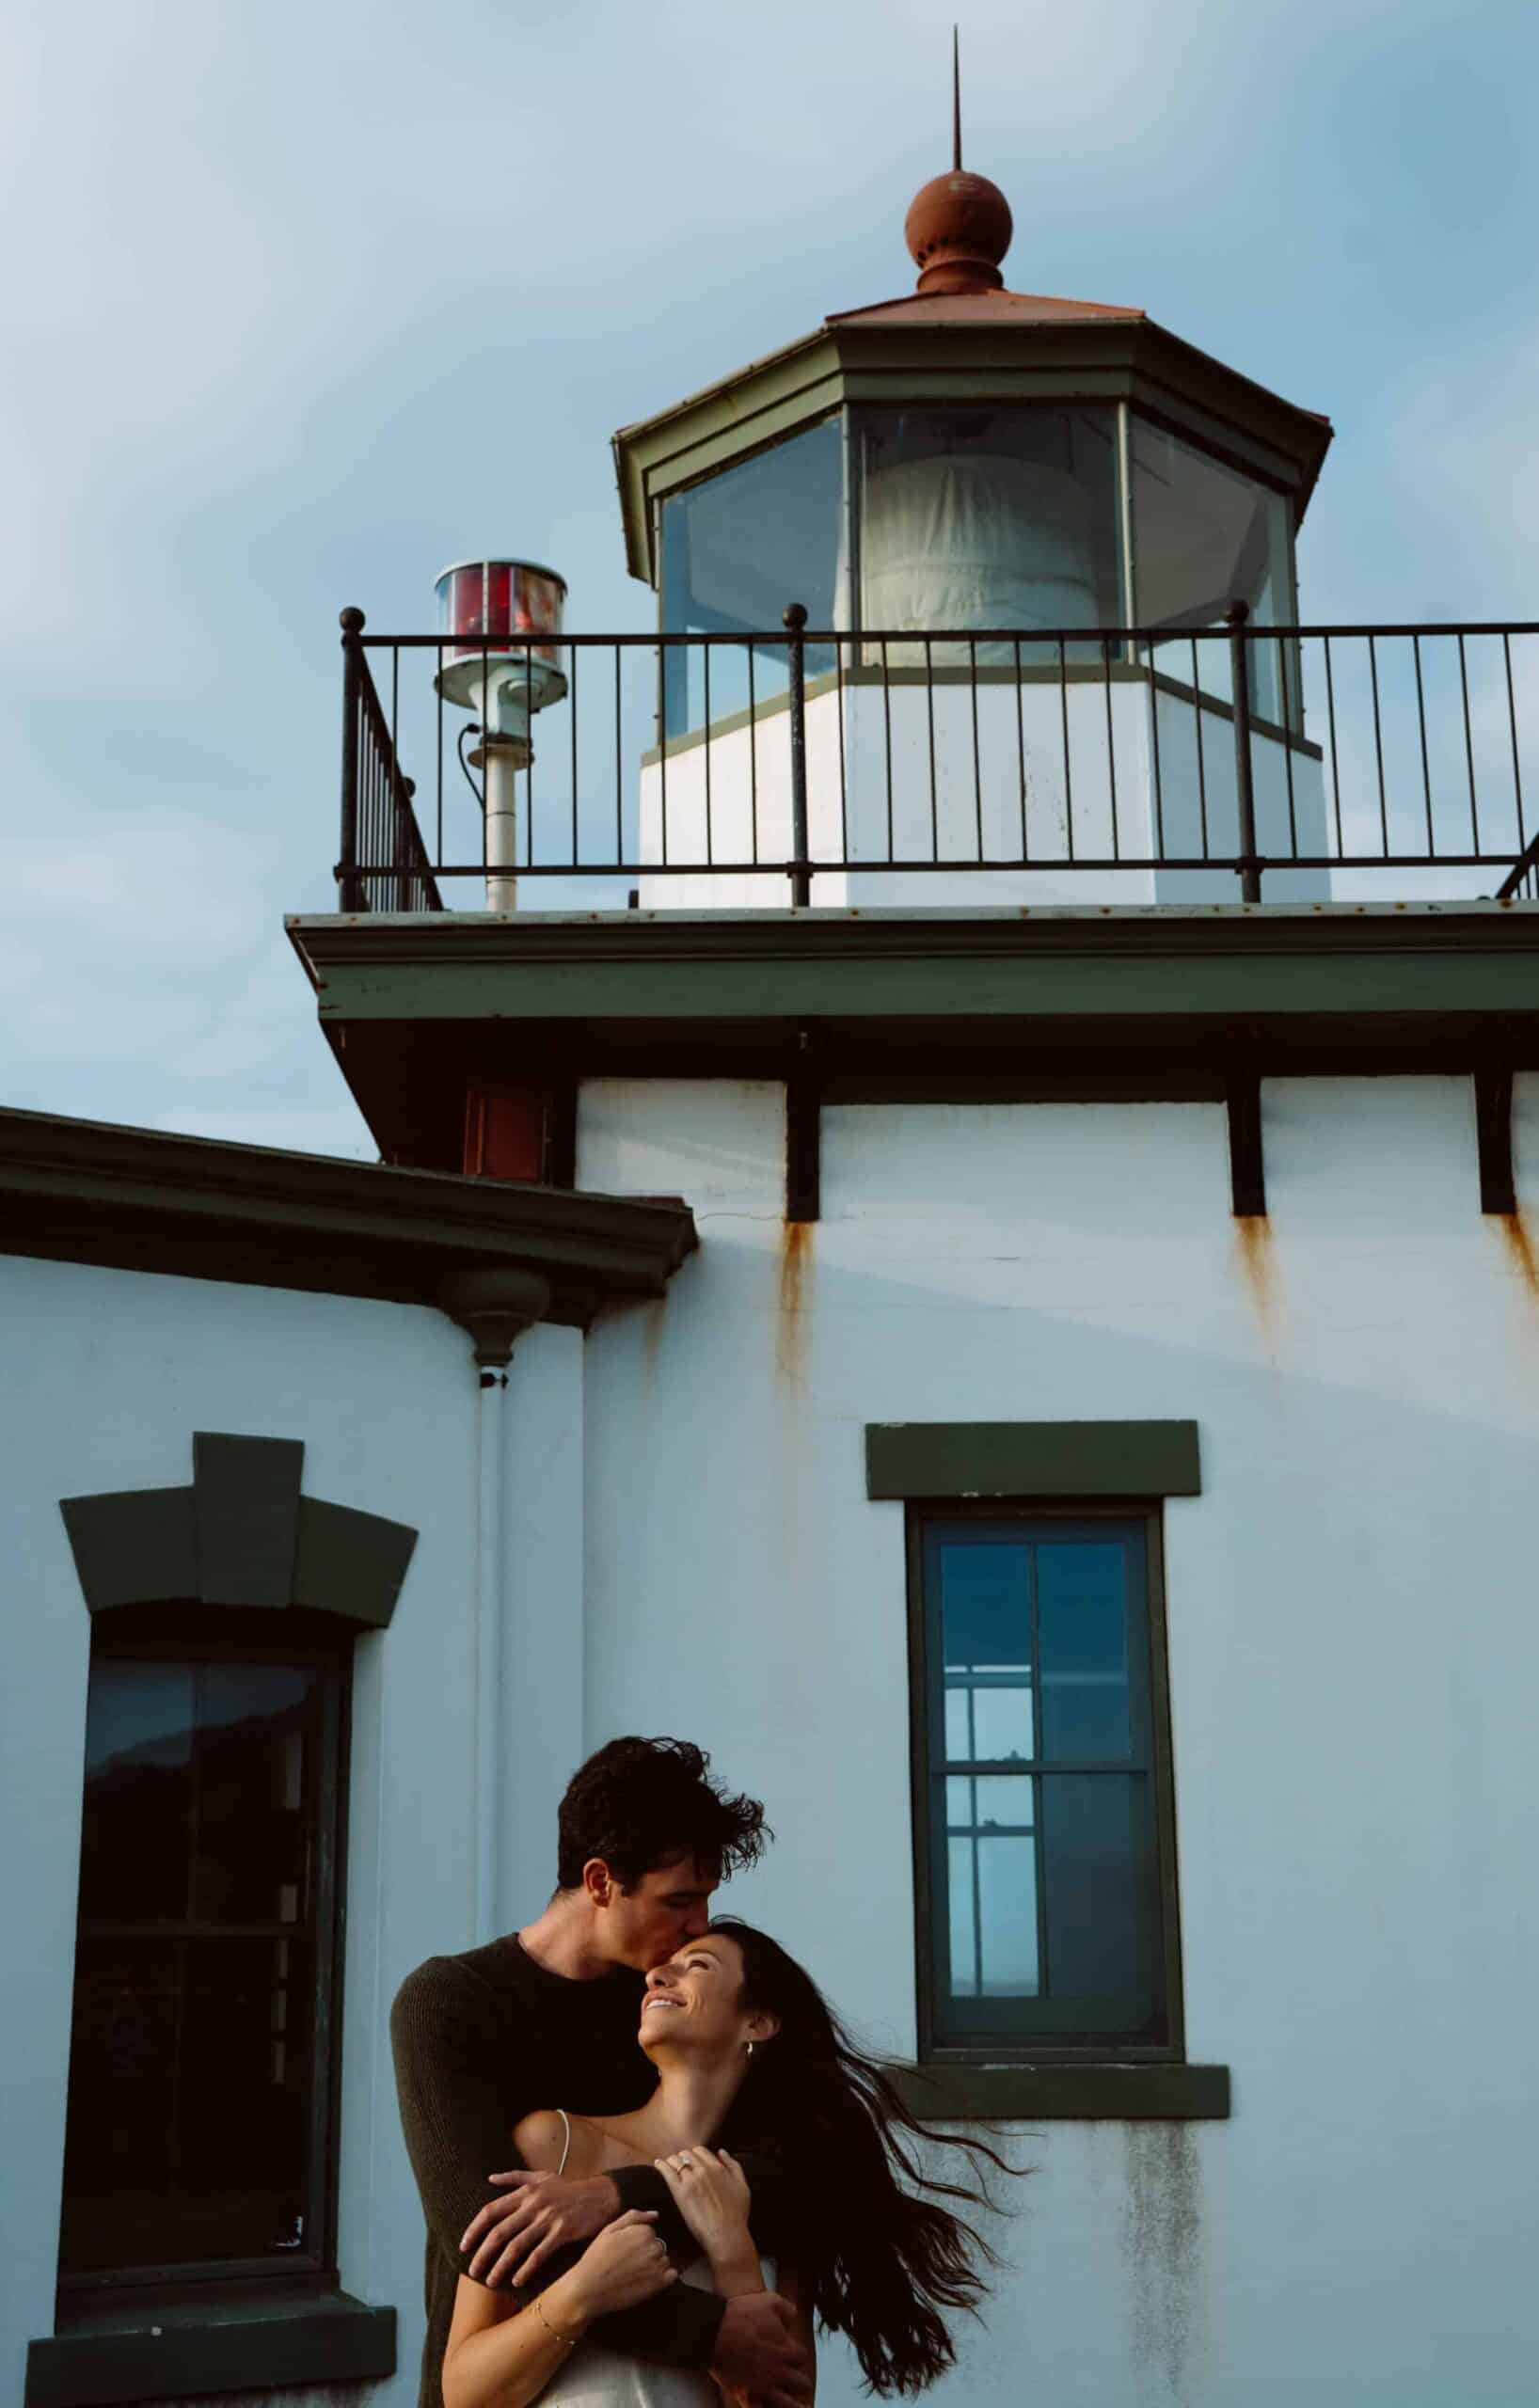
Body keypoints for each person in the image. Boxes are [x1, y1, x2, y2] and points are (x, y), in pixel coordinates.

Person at [391, 1737, 810, 2408]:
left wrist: (609, 2195)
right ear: (599, 1882)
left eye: (706, 1899)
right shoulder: (451, 2002)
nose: (698, 1925)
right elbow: (492, 2237)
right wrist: (713, 2334)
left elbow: (798, 2174)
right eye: (679, 1900)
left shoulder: (670, 2014)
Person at [440, 1917, 1007, 2408]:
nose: (657, 1976)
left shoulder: (778, 2198)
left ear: (757, 2023)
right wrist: (581, 2292)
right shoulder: (553, 2144)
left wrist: (733, 2252)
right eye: (663, 1967)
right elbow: (463, 2391)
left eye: (699, 1966)